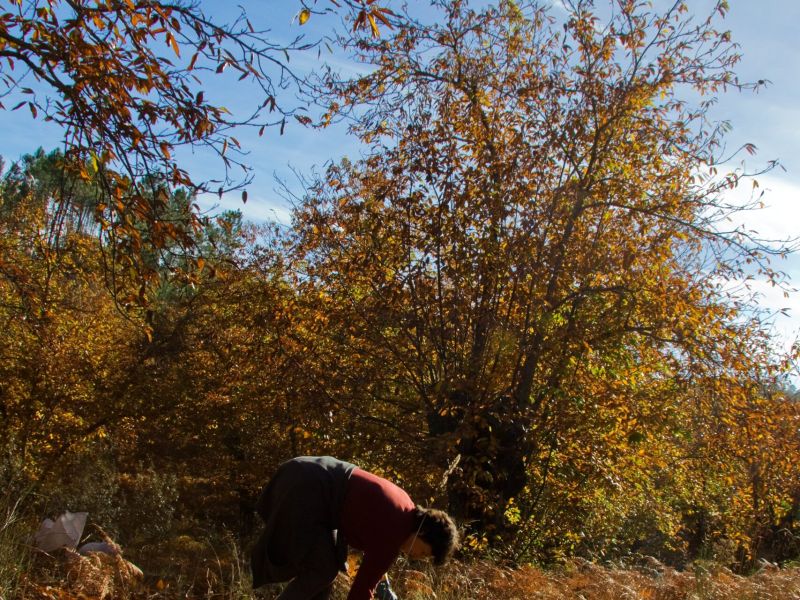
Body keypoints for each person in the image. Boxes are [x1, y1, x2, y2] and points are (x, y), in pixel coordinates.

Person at [251, 456, 459, 600]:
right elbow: (361, 590)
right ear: (422, 532)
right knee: (323, 569)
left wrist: (382, 583)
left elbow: (373, 553)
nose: (417, 557)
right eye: (423, 553)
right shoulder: (395, 531)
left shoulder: (404, 509)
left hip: (304, 476)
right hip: (306, 489)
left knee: (327, 570)